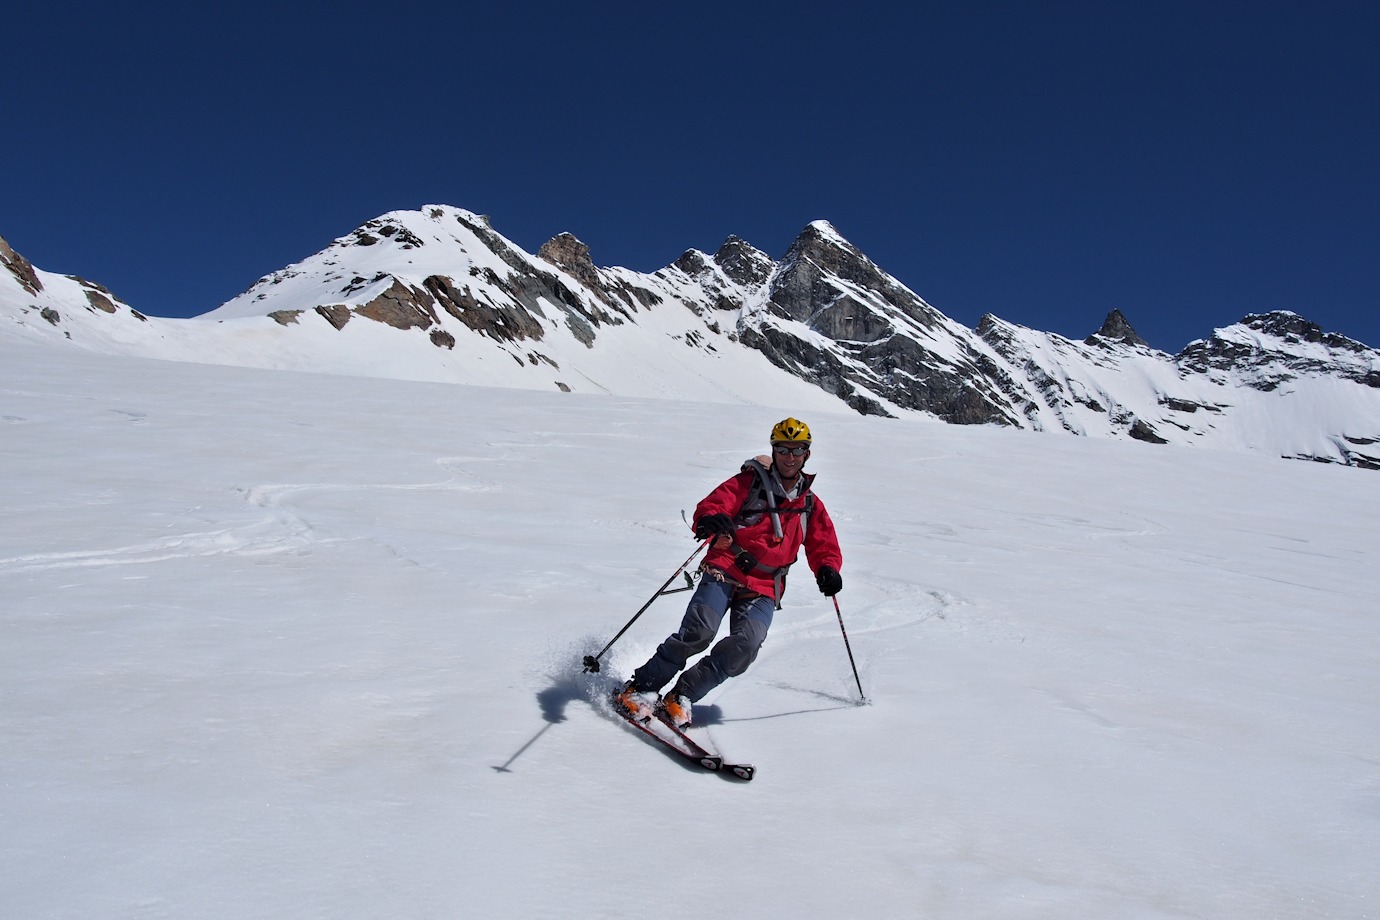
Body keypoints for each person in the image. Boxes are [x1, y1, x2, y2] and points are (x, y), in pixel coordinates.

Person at [615, 417, 843, 727]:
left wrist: (828, 569)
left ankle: (682, 695)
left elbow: (823, 543)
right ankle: (641, 688)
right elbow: (713, 505)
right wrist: (710, 521)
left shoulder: (810, 504)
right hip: (725, 568)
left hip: (764, 585)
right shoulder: (749, 484)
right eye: (783, 450)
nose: (790, 457)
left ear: (807, 454)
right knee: (699, 632)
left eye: (797, 450)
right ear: (774, 451)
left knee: (745, 647)